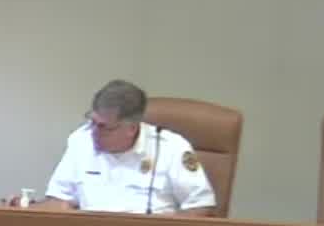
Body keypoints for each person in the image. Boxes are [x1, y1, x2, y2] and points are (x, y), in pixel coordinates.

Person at [13, 80, 215, 216]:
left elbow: (200, 207)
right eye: (92, 121)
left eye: (103, 127)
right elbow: (60, 201)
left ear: (131, 128)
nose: (94, 132)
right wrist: (25, 207)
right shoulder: (80, 140)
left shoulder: (171, 148)